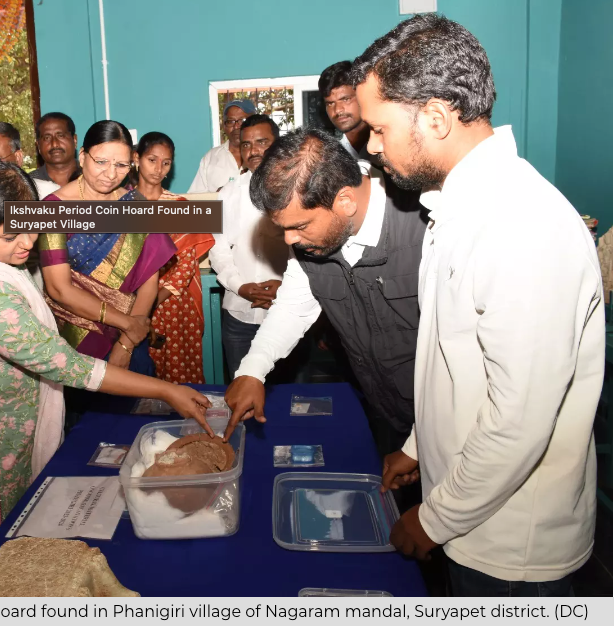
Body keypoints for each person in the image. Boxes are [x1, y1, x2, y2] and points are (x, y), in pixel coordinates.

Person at [352, 14, 603, 596]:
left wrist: (435, 519)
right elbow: (455, 362)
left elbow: (519, 420)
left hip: (512, 548)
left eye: (380, 127)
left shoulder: (520, 223)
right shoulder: (458, 207)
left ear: (436, 118)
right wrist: (418, 447)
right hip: (471, 514)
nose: (371, 145)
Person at [0, 162, 213, 528]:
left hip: (12, 417)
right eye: (10, 237)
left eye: (31, 228)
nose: (28, 244)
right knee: (4, 530)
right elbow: (70, 366)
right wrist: (168, 391)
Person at [223, 127, 427, 460]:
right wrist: (252, 370)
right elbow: (293, 307)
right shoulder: (310, 240)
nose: (289, 240)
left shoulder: (425, 223)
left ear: (345, 201)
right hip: (383, 407)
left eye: (299, 226)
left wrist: (418, 446)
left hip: (442, 422)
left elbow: (463, 358)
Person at [39, 121, 177, 375]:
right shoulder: (53, 208)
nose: (111, 174)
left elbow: (150, 279)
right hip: (75, 339)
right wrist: (127, 323)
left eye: (121, 165)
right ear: (82, 157)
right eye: (101, 162)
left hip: (131, 338)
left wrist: (126, 343)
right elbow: (59, 288)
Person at [122, 132, 214, 383]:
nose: (158, 168)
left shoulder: (179, 205)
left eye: (166, 162)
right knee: (137, 377)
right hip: (129, 303)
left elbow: (186, 264)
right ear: (136, 158)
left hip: (174, 303)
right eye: (152, 160)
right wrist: (137, 303)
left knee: (179, 375)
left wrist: (151, 302)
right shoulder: (121, 204)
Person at [208, 115, 288, 378]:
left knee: (288, 398)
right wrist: (239, 286)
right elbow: (217, 248)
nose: (253, 150)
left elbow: (308, 249)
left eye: (262, 142)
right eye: (246, 144)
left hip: (287, 311)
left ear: (278, 144)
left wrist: (285, 287)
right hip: (238, 315)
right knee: (241, 393)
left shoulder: (297, 189)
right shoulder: (227, 195)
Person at [187, 99, 256, 193]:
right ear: (224, 126)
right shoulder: (210, 158)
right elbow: (196, 201)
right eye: (230, 121)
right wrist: (217, 198)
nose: (236, 127)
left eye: (242, 120)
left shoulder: (265, 155)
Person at [319, 61, 375, 163]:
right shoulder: (328, 157)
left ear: (363, 96)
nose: (337, 110)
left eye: (345, 99)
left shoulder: (387, 145)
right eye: (330, 103)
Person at [31, 112, 81, 188]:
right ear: (38, 146)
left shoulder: (92, 177)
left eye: (60, 136)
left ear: (74, 140)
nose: (54, 144)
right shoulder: (28, 184)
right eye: (47, 138)